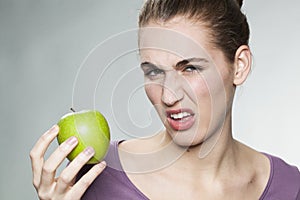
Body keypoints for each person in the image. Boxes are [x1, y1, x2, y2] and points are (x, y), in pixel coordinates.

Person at [30, 0, 300, 199]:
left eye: (190, 68)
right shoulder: (96, 178)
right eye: (154, 72)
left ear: (239, 66)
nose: (169, 96)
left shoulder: (290, 186)